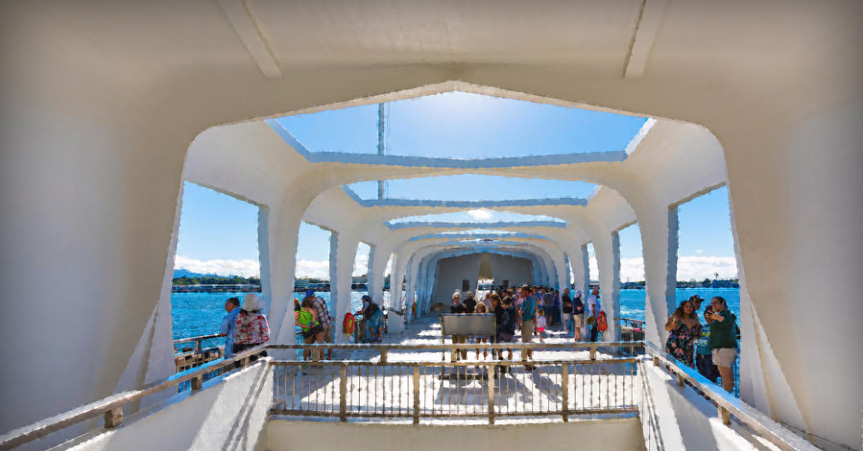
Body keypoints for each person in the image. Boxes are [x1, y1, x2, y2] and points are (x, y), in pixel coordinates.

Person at [707, 296, 738, 393]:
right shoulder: (728, 315)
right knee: (727, 378)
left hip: (724, 350)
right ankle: (726, 399)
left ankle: (726, 404)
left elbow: (723, 320)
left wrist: (714, 317)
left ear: (722, 303)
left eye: (716, 302)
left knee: (727, 379)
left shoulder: (724, 315)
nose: (713, 305)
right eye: (712, 303)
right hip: (726, 349)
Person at [664, 300, 701, 367]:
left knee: (687, 366)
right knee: (675, 366)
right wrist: (674, 323)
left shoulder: (695, 318)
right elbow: (667, 328)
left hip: (688, 346)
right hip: (675, 344)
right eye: (686, 306)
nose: (689, 308)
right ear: (682, 307)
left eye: (690, 306)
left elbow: (697, 332)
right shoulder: (675, 316)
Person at [233, 293, 270, 361]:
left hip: (238, 346)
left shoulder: (239, 316)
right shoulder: (260, 317)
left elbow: (236, 330)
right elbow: (265, 334)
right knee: (265, 358)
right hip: (254, 347)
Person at [695, 306, 719, 383]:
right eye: (706, 316)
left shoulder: (717, 327)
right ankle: (703, 394)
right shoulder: (703, 327)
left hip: (710, 356)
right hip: (700, 355)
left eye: (710, 316)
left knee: (710, 379)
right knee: (701, 378)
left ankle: (709, 395)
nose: (709, 318)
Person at [518, 285, 537, 369]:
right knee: (529, 341)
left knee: (525, 342)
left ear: (526, 292)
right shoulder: (533, 299)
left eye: (522, 291)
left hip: (526, 321)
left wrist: (519, 312)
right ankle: (530, 359)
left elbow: (521, 312)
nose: (521, 293)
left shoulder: (526, 301)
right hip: (531, 322)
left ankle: (525, 362)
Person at [311, 294, 334, 359]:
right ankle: (330, 356)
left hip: (322, 326)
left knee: (320, 343)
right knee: (329, 341)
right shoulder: (320, 299)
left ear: (310, 297)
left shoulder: (314, 304)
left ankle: (321, 359)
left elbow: (316, 316)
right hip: (328, 322)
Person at [497, 296, 517, 364]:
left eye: (504, 304)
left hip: (507, 331)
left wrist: (506, 330)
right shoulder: (508, 310)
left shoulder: (511, 311)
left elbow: (510, 322)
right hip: (506, 330)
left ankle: (508, 360)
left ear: (508, 304)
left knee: (507, 347)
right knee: (503, 345)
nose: (503, 305)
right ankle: (501, 357)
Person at [449, 291, 468, 360]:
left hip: (461, 327)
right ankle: (455, 357)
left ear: (460, 298)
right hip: (454, 327)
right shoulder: (452, 306)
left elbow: (466, 315)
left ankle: (464, 357)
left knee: (462, 343)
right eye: (455, 298)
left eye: (457, 298)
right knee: (454, 343)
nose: (456, 299)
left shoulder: (463, 306)